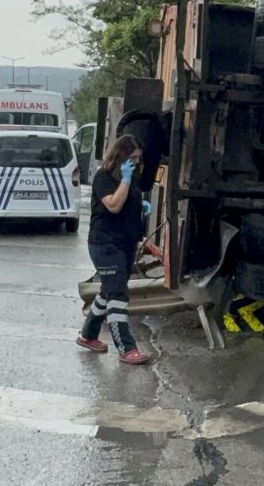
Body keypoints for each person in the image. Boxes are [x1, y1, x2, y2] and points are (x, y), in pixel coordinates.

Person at [76, 134, 152, 365]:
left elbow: (128, 204)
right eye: (132, 158)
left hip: (125, 243)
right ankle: (126, 348)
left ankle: (88, 335)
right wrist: (126, 181)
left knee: (109, 290)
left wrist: (140, 208)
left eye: (138, 158)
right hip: (105, 243)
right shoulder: (104, 177)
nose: (136, 163)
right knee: (118, 295)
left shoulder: (131, 177)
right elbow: (114, 205)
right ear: (120, 157)